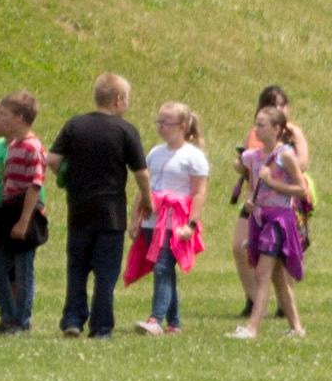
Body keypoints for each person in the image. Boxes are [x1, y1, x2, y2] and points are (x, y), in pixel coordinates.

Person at [51, 77, 147, 337]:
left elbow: (52, 159)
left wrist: (67, 178)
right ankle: (101, 327)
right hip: (111, 213)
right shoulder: (126, 130)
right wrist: (147, 201)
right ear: (118, 99)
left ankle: (72, 319)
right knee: (106, 273)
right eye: (126, 99)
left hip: (79, 209)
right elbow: (141, 173)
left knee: (77, 266)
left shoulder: (75, 125)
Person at [230, 105, 314, 339]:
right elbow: (250, 177)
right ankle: (296, 328)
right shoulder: (255, 156)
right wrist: (249, 201)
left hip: (279, 221)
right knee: (277, 278)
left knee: (262, 273)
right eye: (256, 123)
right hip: (260, 218)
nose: (256, 129)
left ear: (277, 128)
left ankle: (252, 327)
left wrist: (274, 183)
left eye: (262, 125)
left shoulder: (284, 156)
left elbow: (299, 190)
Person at [140, 103, 212, 332]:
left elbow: (199, 192)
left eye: (166, 123)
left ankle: (156, 319)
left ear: (182, 126)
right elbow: (145, 187)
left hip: (175, 222)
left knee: (163, 266)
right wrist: (135, 220)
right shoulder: (155, 152)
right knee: (163, 269)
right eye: (159, 122)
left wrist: (191, 223)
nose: (160, 127)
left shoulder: (193, 156)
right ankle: (174, 323)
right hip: (153, 219)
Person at [0, 94, 49, 332]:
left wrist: (24, 221)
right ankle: (9, 317)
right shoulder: (13, 145)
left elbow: (34, 185)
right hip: (8, 211)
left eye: (7, 115)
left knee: (23, 270)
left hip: (24, 211)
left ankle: (21, 321)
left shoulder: (32, 146)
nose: (3, 120)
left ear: (20, 118)